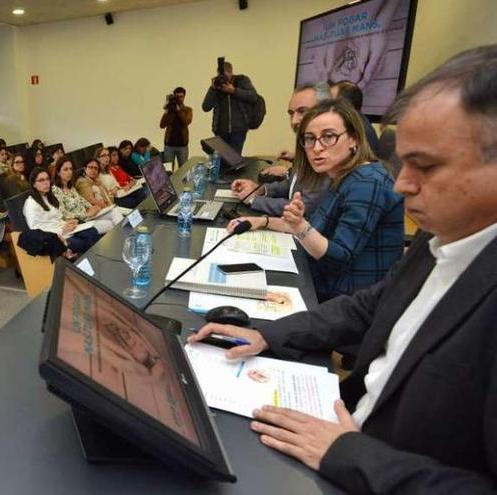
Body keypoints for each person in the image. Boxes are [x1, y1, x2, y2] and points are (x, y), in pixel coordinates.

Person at [189, 45, 497, 494]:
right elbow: (367, 306)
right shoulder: (439, 239)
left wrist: (347, 454)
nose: (401, 183)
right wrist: (269, 333)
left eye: (425, 165)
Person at [229, 98, 404, 301]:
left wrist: (300, 226)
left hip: (344, 301)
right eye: (310, 139)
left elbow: (337, 258)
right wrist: (260, 221)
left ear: (354, 139)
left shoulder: (367, 183)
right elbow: (313, 228)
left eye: (328, 137)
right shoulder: (344, 175)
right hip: (324, 283)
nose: (317, 148)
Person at [231, 82, 333, 216]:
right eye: (291, 113)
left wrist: (254, 200)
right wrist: (260, 190)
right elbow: (292, 185)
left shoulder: (327, 151)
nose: (294, 121)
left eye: (302, 111)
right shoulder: (305, 145)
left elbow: (304, 206)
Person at [24, 168, 101, 259]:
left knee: (93, 232)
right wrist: (62, 230)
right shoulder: (31, 204)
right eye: (41, 180)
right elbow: (37, 232)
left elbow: (57, 219)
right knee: (84, 241)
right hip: (55, 238)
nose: (46, 182)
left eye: (47, 179)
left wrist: (68, 223)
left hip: (65, 230)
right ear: (34, 184)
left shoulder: (48, 197)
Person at [201, 60, 260, 154]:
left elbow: (253, 96)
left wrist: (234, 91)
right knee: (220, 160)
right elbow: (205, 107)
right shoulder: (217, 86)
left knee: (235, 159)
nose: (223, 79)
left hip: (238, 130)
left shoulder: (242, 81)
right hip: (220, 130)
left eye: (225, 76)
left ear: (231, 72)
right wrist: (212, 88)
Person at [52, 157, 121, 234]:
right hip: (78, 222)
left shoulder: (71, 188)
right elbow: (63, 214)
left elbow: (83, 201)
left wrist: (93, 207)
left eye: (71, 169)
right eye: (66, 169)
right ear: (58, 172)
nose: (69, 172)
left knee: (114, 211)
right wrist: (85, 215)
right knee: (109, 224)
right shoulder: (55, 190)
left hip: (89, 217)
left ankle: (130, 238)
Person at [331, 80, 380, 155]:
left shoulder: (359, 131)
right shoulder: (356, 121)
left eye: (330, 101)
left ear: (344, 104)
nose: (325, 105)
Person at [159, 86, 193, 169]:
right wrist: (167, 111)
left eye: (181, 97)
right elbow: (162, 125)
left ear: (184, 97)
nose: (179, 99)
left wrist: (179, 111)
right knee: (168, 169)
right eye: (177, 97)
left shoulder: (187, 110)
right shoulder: (170, 111)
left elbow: (186, 122)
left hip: (183, 145)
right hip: (169, 145)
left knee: (183, 169)